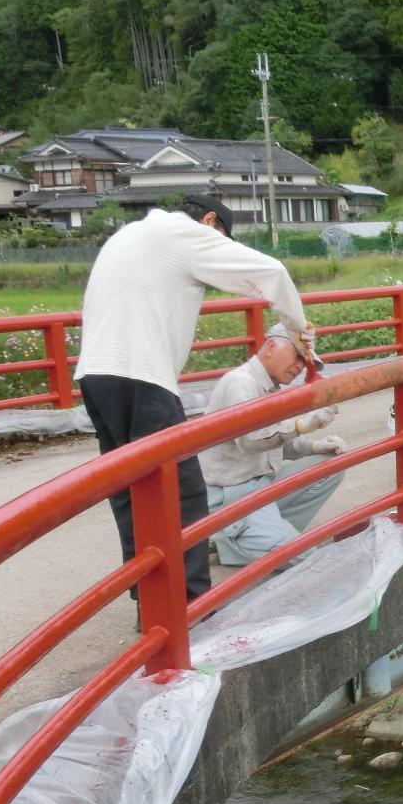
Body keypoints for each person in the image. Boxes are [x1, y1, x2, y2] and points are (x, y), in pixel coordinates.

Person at [75, 194, 313, 600]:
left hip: (95, 376)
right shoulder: (185, 234)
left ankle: (150, 602)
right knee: (180, 493)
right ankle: (188, 606)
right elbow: (270, 273)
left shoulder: (130, 235)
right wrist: (298, 328)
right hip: (141, 377)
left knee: (132, 494)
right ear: (208, 220)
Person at [199, 325, 346, 566]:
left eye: (305, 360)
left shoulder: (271, 386)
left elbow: (274, 444)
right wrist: (301, 425)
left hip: (260, 487)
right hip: (233, 498)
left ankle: (268, 531)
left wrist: (313, 447)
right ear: (270, 347)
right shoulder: (241, 383)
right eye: (297, 355)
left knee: (331, 465)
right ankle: (234, 537)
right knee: (306, 558)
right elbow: (249, 440)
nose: (300, 366)